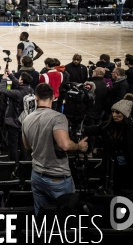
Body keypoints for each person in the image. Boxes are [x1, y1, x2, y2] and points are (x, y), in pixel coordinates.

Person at [22, 83, 89, 215]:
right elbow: (64, 145)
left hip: (37, 174)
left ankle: (42, 236)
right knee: (66, 216)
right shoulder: (58, 117)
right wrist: (79, 146)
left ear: (36, 97)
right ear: (53, 97)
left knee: (41, 217)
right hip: (57, 177)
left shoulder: (26, 119)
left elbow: (27, 147)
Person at [84, 94, 133, 193]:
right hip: (110, 165)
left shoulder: (132, 129)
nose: (114, 115)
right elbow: (94, 129)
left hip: (127, 167)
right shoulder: (107, 126)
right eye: (113, 112)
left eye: (117, 112)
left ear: (125, 114)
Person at [1, 70, 34, 165]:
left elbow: (3, 90)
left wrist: (4, 80)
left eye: (19, 78)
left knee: (13, 145)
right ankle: (23, 164)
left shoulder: (17, 93)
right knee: (23, 144)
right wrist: (11, 75)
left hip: (14, 122)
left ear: (22, 81)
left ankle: (13, 165)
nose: (18, 79)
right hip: (25, 122)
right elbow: (19, 84)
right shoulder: (30, 89)